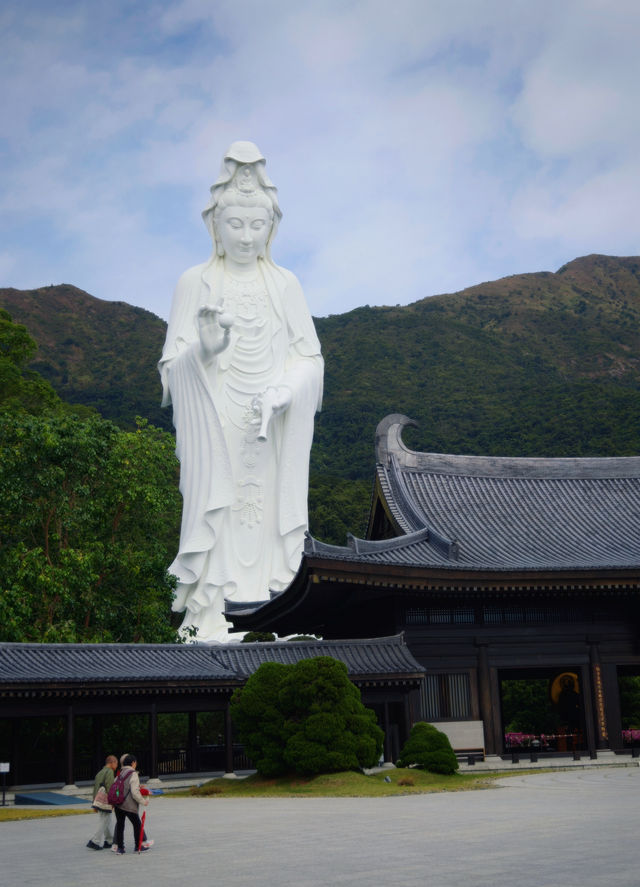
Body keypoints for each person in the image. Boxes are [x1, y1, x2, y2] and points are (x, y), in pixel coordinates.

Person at [159, 141, 323, 642]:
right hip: (216, 424)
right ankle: (211, 610)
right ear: (215, 225)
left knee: (269, 517)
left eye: (257, 225)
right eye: (236, 224)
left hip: (272, 426)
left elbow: (310, 358)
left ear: (272, 227)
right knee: (221, 511)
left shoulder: (286, 284)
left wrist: (285, 392)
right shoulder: (195, 282)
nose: (247, 236)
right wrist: (203, 352)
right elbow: (170, 368)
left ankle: (280, 611)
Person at [113, 754, 149, 854]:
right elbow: (134, 792)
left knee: (120, 825)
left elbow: (117, 787)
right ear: (133, 763)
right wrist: (143, 801)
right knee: (137, 824)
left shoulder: (120, 773)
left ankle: (120, 848)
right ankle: (138, 846)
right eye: (135, 763)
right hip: (129, 805)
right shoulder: (133, 774)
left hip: (118, 804)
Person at [86, 754, 117, 850]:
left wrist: (94, 802)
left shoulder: (100, 772)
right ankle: (94, 841)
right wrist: (113, 801)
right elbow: (110, 788)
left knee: (107, 820)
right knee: (104, 820)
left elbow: (95, 788)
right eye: (116, 763)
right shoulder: (109, 772)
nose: (116, 766)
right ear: (112, 763)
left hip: (98, 800)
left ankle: (109, 841)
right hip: (106, 801)